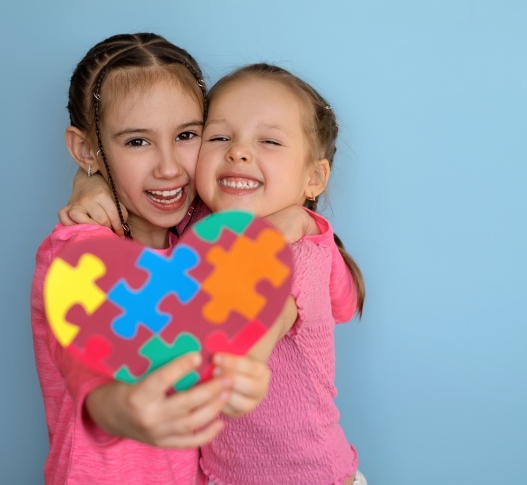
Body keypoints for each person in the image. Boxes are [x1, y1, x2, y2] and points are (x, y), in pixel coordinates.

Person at [62, 62, 367, 485]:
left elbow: (264, 318)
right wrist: (89, 184)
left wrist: (240, 365)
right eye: (220, 136)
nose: (238, 151)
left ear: (313, 177)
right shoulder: (198, 223)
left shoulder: (296, 257)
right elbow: (121, 170)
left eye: (269, 141)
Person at [31, 33, 274, 485]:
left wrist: (301, 217)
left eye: (186, 135)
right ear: (87, 149)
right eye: (137, 142)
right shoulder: (74, 255)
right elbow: (87, 368)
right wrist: (121, 408)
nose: (169, 167)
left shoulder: (195, 234)